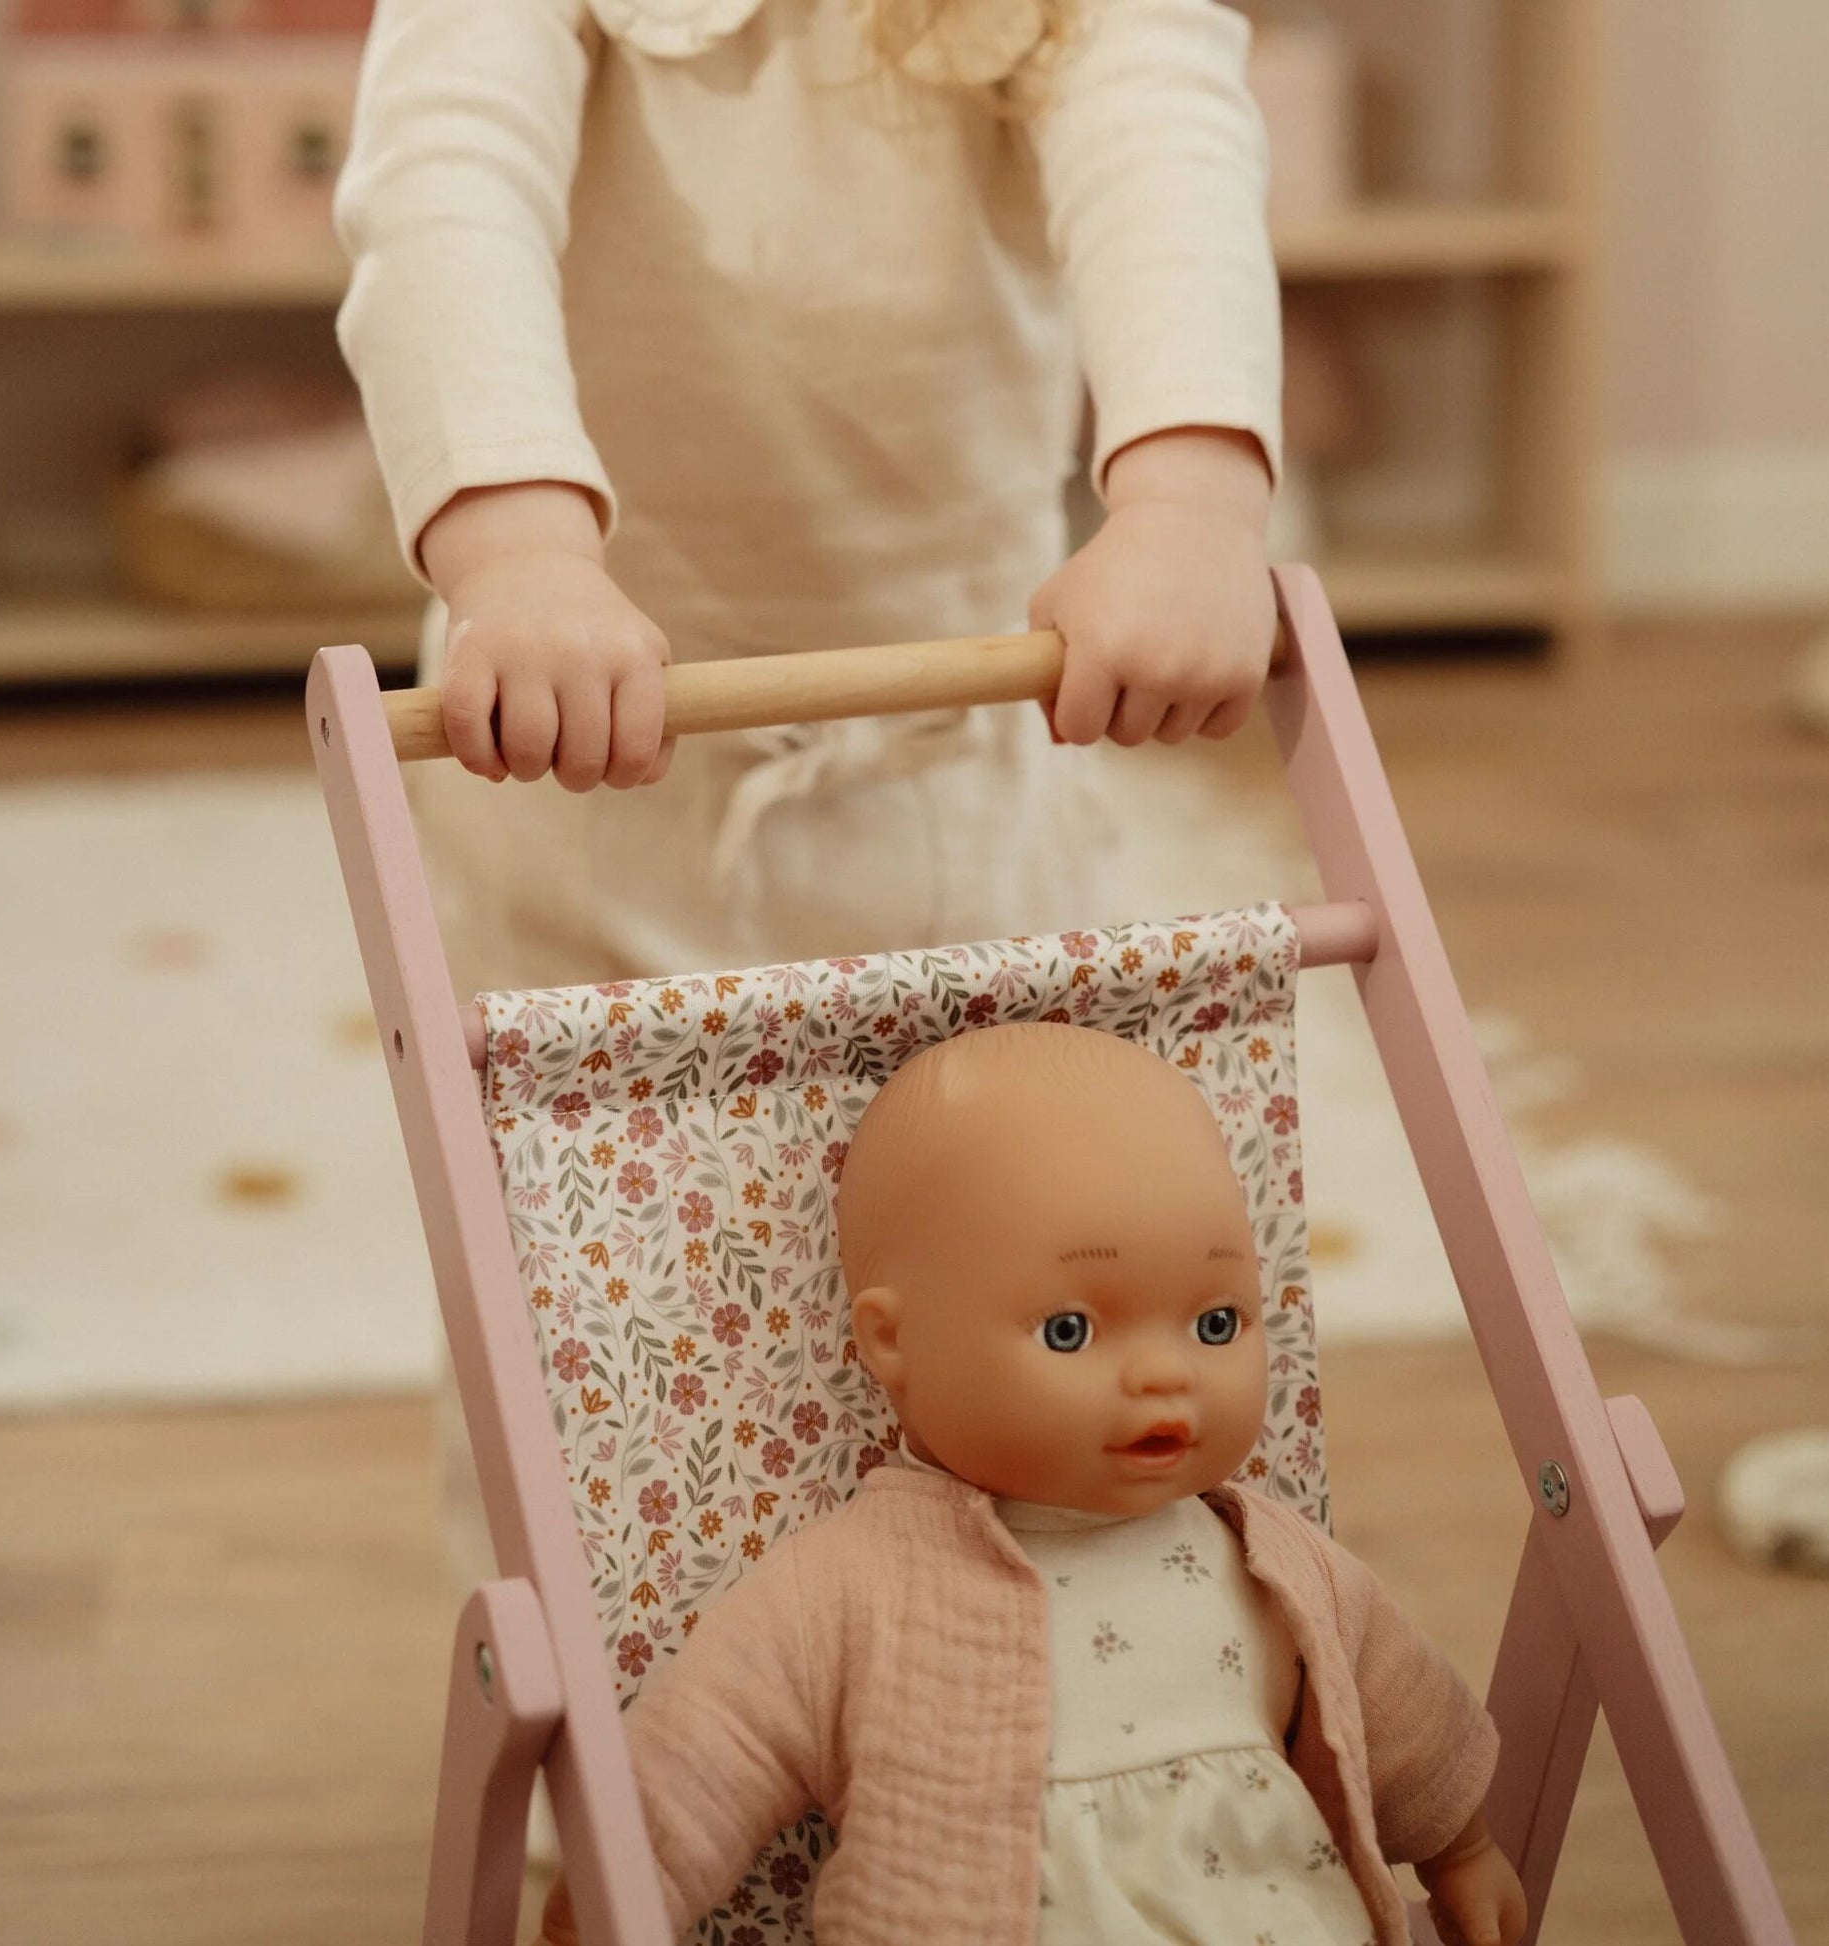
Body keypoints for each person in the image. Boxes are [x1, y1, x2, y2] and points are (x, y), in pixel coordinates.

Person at [332, 0, 1285, 1859]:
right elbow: (444, 182)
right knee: (590, 1337)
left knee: (1011, 1314)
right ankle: (596, 1814)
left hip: (965, 735)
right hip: (585, 753)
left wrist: (1185, 498)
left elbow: (1167, 129)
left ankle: (1008, 1764)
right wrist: (519, 548)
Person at [542, 1024, 1526, 1945]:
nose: (1163, 1374)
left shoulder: (1270, 1556)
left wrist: (1459, 1846)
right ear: (892, 1338)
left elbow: (1399, 1712)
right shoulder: (852, 1585)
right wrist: (608, 1893)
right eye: (1070, 1329)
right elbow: (707, 1749)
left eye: (1214, 1322)